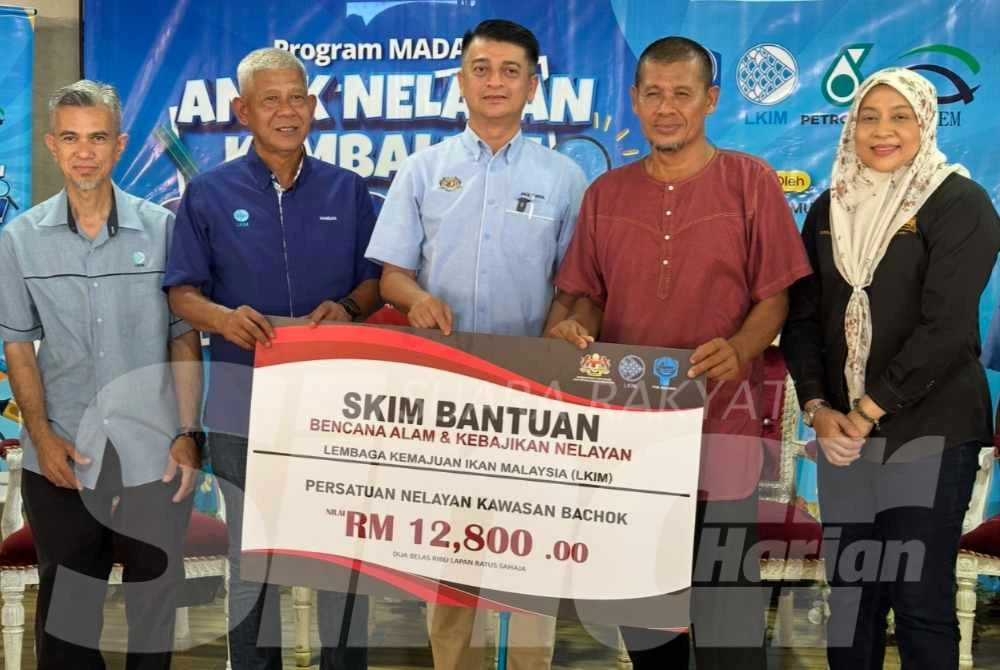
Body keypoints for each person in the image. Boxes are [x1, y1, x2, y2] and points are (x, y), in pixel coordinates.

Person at [548, 36, 811, 669]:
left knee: (727, 624)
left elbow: (775, 295)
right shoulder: (605, 194)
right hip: (632, 440)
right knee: (646, 621)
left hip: (725, 426)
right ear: (635, 101)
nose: (667, 108)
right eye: (654, 94)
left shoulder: (751, 181)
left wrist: (745, 345)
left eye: (683, 94)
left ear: (711, 101)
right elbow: (584, 297)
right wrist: (571, 328)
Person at [364, 18, 587, 670]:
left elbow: (577, 284)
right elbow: (393, 275)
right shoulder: (423, 170)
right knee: (451, 560)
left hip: (534, 394)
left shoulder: (565, 176)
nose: (495, 82)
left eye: (510, 71)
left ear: (533, 85)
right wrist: (415, 299)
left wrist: (564, 323)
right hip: (447, 392)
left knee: (531, 555)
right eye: (482, 69)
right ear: (461, 79)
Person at [163, 47, 381, 669]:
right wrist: (225, 319)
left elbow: (374, 281)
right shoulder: (207, 195)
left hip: (337, 405)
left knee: (343, 554)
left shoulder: (350, 189)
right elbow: (182, 293)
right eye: (270, 100)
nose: (286, 112)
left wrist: (350, 307)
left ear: (313, 107)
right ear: (243, 110)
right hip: (241, 398)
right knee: (253, 558)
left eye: (297, 98)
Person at [781, 68, 1000, 669]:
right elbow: (802, 319)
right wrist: (821, 411)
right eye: (869, 116)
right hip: (844, 435)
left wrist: (865, 413)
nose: (882, 131)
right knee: (852, 596)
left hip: (931, 429)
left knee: (918, 595)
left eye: (900, 116)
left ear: (925, 123)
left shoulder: (960, 202)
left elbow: (949, 327)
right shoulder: (830, 205)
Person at [0, 80, 202, 669]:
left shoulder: (163, 229)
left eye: (97, 137)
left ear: (120, 145)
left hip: (154, 450)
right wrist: (41, 436)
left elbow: (182, 336)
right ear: (51, 146)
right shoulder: (19, 240)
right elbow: (17, 347)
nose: (84, 151)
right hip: (64, 451)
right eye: (71, 138)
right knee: (67, 612)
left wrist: (188, 434)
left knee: (154, 606)